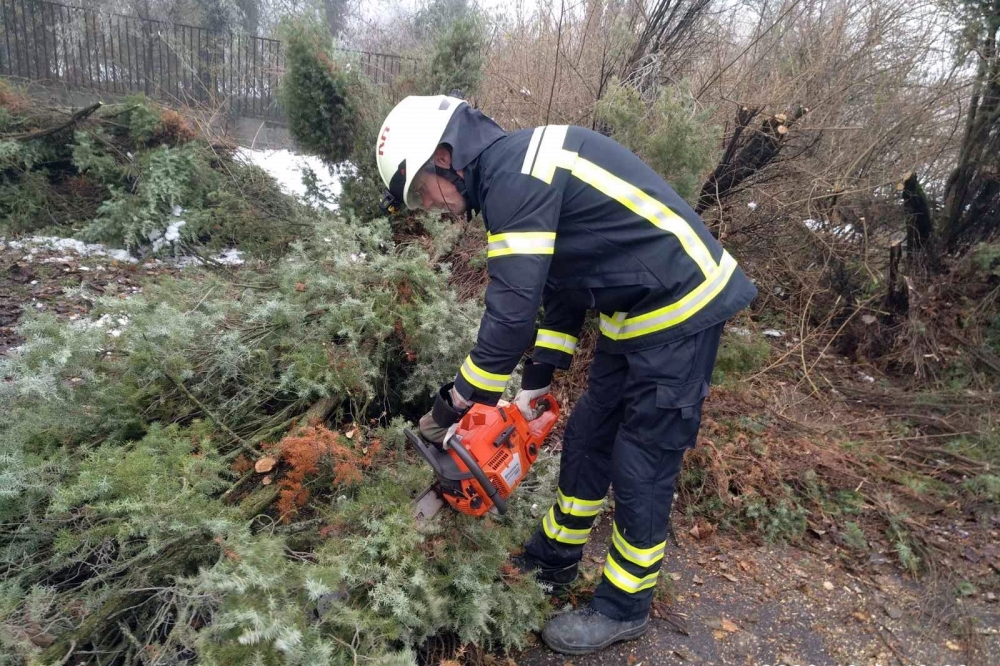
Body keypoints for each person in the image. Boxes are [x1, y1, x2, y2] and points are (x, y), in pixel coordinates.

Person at [376, 95, 756, 656]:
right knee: (585, 439)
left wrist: (455, 403)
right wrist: (536, 385)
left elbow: (507, 320)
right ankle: (554, 558)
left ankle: (624, 605)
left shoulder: (515, 177)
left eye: (420, 190)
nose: (429, 206)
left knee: (641, 461)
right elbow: (562, 292)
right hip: (634, 318)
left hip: (683, 307)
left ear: (444, 156)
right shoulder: (518, 170)